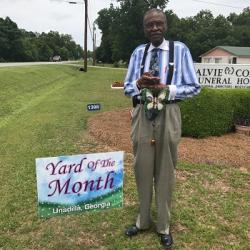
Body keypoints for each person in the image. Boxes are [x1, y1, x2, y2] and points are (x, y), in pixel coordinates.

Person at [124, 8, 200, 248]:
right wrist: (139, 83)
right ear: (144, 28)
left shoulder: (180, 50)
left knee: (166, 170)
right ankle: (143, 220)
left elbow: (194, 86)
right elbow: (126, 87)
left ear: (165, 25)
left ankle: (164, 225)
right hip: (142, 113)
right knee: (142, 168)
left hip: (169, 112)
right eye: (149, 25)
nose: (154, 28)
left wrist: (168, 88)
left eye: (158, 24)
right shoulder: (138, 52)